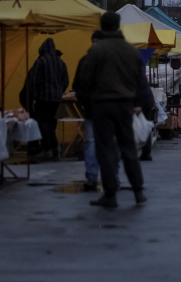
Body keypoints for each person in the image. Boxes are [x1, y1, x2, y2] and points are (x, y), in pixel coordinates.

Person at [77, 11, 146, 208]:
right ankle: (138, 190)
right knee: (128, 146)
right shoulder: (131, 50)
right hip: (125, 104)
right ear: (118, 25)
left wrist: (88, 100)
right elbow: (140, 80)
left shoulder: (97, 50)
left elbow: (85, 79)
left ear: (102, 26)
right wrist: (136, 102)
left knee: (105, 149)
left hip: (102, 105)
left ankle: (110, 193)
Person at [27, 38, 69, 161]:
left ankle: (47, 149)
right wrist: (60, 92)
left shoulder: (40, 61)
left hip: (43, 98)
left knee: (42, 123)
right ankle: (55, 148)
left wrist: (34, 97)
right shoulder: (61, 62)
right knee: (51, 124)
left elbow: (34, 80)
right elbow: (66, 81)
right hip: (56, 99)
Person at [73, 31, 104, 191]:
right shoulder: (111, 61)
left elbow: (77, 85)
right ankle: (110, 177)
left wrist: (85, 101)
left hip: (92, 108)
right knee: (109, 143)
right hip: (109, 109)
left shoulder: (84, 60)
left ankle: (92, 177)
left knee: (91, 142)